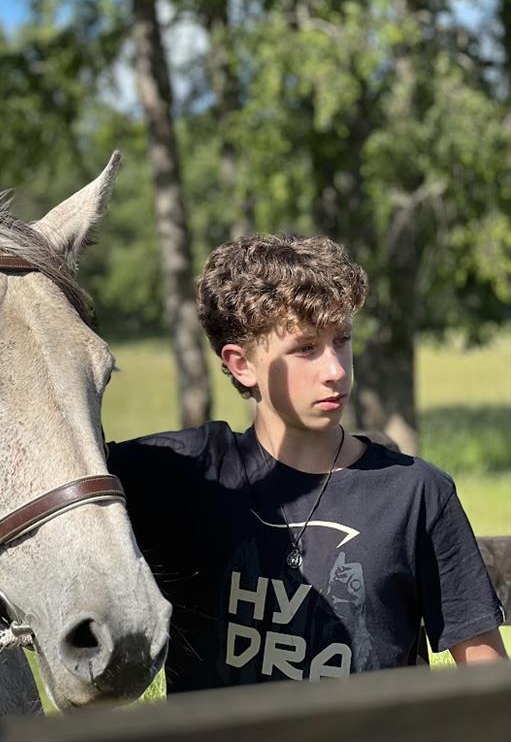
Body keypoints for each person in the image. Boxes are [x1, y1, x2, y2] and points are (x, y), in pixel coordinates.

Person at [107, 234, 506, 692]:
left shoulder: (416, 494)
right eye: (306, 348)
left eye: (342, 340)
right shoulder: (178, 474)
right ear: (241, 364)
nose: (335, 370)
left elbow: (490, 682)